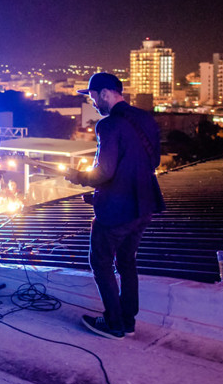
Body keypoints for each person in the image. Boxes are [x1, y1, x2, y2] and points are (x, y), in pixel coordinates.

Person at [64, 72, 165, 339]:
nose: (93, 104)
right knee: (127, 262)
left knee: (101, 262)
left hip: (117, 212)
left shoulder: (108, 126)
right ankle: (128, 321)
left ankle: (113, 323)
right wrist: (102, 192)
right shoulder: (145, 119)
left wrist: (79, 177)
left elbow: (104, 171)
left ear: (105, 93)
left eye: (94, 97)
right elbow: (151, 162)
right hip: (144, 206)